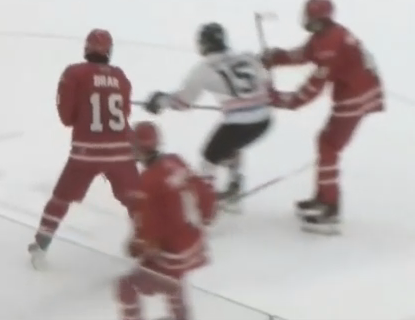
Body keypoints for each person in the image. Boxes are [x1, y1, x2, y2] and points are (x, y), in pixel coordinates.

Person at [262, 0, 385, 234]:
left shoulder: (331, 46)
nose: (307, 22)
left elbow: (312, 88)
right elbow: (306, 53)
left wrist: (282, 99)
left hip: (355, 97)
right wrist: (277, 58)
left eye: (310, 19)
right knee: (326, 143)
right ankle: (324, 197)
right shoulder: (329, 35)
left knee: (329, 145)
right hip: (359, 90)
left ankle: (330, 207)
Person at [28, 28, 138, 269]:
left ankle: (42, 244)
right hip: (121, 150)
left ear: (86, 49)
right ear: (109, 51)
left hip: (86, 152)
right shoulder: (120, 76)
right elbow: (125, 111)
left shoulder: (74, 73)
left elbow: (67, 117)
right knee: (135, 199)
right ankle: (149, 244)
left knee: (61, 198)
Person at [145, 23, 273, 212]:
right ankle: (234, 186)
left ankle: (206, 206)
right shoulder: (246, 57)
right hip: (264, 120)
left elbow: (183, 102)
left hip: (239, 123)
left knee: (208, 159)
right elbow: (265, 81)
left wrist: (160, 101)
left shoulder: (204, 68)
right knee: (231, 144)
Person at [116, 121, 216, 320]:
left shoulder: (146, 183)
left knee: (127, 286)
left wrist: (136, 246)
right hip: (194, 244)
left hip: (173, 253)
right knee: (173, 282)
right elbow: (203, 191)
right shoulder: (175, 161)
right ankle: (181, 317)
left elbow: (148, 229)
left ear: (137, 148)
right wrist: (208, 213)